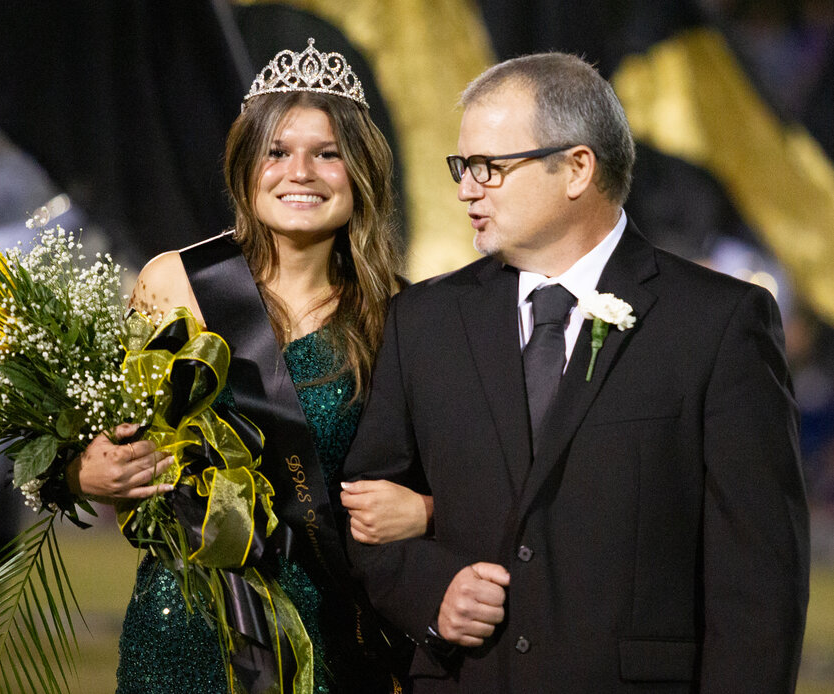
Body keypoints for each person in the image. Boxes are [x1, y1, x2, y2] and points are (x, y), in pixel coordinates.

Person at [343, 51, 810, 693]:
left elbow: (759, 583)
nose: (465, 189)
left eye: (488, 167)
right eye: (461, 167)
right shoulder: (422, 321)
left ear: (576, 168)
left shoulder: (718, 325)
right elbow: (365, 519)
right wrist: (433, 592)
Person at [67, 39, 431, 694]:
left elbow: (453, 477)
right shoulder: (174, 281)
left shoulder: (399, 314)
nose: (301, 172)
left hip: (335, 629)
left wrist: (423, 511)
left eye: (328, 153)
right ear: (244, 167)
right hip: (183, 627)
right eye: (277, 152)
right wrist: (84, 470)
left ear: (363, 172)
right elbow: (100, 440)